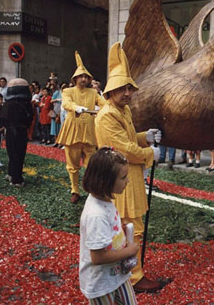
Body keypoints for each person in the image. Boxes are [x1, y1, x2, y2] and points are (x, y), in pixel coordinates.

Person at [95, 42, 163, 293]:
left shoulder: (123, 111)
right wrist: (149, 154)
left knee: (131, 226)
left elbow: (131, 138)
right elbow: (123, 149)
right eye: (123, 89)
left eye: (129, 88)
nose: (128, 93)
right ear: (111, 90)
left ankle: (130, 272)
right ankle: (134, 276)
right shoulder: (107, 115)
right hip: (118, 180)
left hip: (128, 178)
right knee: (130, 228)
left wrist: (146, 136)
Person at [79, 147, 139, 304]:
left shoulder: (105, 200)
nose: (127, 181)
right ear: (105, 181)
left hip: (117, 276)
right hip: (101, 284)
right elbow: (98, 257)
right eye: (123, 177)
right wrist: (129, 251)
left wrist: (119, 231)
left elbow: (107, 233)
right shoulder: (96, 214)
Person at [55, 51, 106, 204]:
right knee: (72, 164)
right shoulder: (67, 91)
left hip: (89, 132)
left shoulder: (93, 93)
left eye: (86, 77)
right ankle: (75, 190)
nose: (83, 79)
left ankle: (90, 189)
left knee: (91, 164)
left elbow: (104, 104)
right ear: (75, 78)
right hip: (73, 131)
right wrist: (76, 108)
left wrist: (105, 108)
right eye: (81, 76)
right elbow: (66, 103)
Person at [0, 78, 34, 186]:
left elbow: (2, 118)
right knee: (19, 154)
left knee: (12, 154)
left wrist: (7, 126)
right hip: (21, 131)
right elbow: (30, 118)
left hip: (11, 131)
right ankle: (15, 177)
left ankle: (14, 177)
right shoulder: (27, 104)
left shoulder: (8, 104)